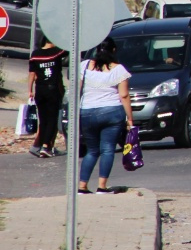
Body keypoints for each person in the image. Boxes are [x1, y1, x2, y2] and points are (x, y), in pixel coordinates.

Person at [78, 37, 134, 194]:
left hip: (87, 112)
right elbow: (124, 95)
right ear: (114, 50)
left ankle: (82, 186)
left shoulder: (84, 66)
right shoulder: (119, 70)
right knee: (108, 149)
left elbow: (77, 89)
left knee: (91, 151)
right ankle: (102, 186)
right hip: (112, 112)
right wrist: (130, 118)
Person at [27, 34, 69, 157]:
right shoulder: (56, 52)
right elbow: (69, 49)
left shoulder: (35, 54)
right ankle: (46, 146)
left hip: (39, 90)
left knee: (43, 119)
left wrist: (29, 90)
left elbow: (31, 74)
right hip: (53, 90)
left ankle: (41, 146)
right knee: (52, 119)